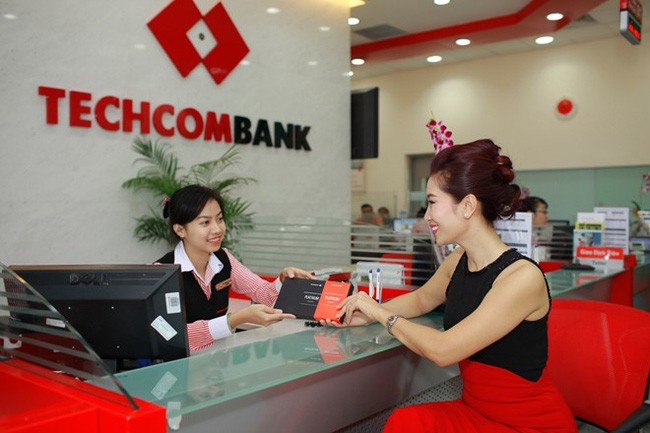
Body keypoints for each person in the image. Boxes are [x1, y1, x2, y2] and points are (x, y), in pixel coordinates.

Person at [322, 139, 576, 432]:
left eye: (432, 202)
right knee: (405, 422)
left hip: (527, 424)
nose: (427, 216)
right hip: (476, 409)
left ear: (467, 206)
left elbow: (444, 350)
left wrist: (380, 314)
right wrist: (365, 314)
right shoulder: (458, 260)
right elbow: (421, 300)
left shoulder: (522, 278)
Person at [156, 185, 313, 351]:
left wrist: (283, 281)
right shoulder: (161, 273)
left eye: (219, 219)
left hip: (218, 360)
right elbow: (170, 333)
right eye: (205, 222)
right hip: (180, 363)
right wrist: (235, 319)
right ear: (180, 230)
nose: (217, 229)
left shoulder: (223, 258)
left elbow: (262, 293)